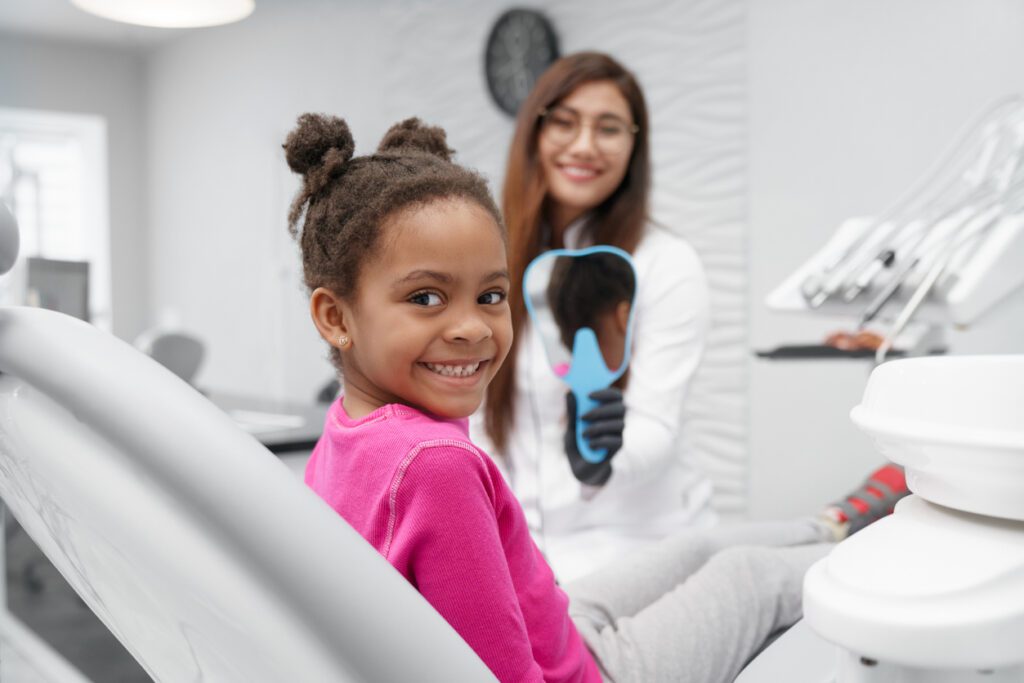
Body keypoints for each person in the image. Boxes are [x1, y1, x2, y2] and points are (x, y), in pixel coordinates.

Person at [286, 112, 908, 683]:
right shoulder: (433, 465)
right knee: (749, 578)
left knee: (693, 548)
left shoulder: (341, 433)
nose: (472, 327)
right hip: (593, 673)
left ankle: (832, 524)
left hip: (558, 620)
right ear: (335, 315)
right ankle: (892, 545)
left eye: (491, 296)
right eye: (426, 298)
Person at [475, 51, 715, 582]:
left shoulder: (665, 264)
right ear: (534, 132)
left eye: (608, 128)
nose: (584, 145)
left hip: (637, 553)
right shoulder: (493, 258)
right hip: (518, 551)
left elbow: (655, 424)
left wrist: (603, 458)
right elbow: (476, 415)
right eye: (564, 122)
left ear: (634, 146)